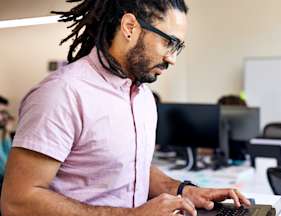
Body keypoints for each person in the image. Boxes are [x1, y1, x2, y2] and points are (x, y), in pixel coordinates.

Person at [1, 1, 251, 216]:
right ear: (130, 27)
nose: (172, 58)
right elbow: (17, 202)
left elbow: (130, 170)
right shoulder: (62, 93)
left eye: (178, 48)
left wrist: (185, 190)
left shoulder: (143, 97)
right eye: (168, 42)